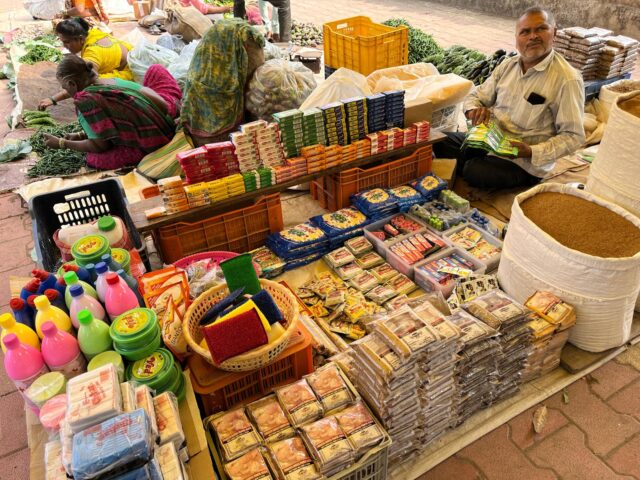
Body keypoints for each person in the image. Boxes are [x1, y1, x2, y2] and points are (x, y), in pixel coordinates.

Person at [434, 7, 585, 190]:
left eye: (540, 29)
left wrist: (530, 151)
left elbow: (573, 137)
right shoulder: (508, 66)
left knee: (474, 171)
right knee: (437, 141)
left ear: (554, 33)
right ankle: (475, 159)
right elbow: (476, 96)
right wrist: (474, 109)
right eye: (525, 32)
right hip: (491, 143)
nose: (533, 36)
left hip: (524, 162)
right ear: (517, 39)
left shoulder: (568, 79)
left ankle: (475, 163)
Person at [41, 54, 182, 170]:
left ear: (72, 84)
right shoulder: (112, 81)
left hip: (154, 143)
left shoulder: (86, 100)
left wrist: (62, 143)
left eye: (64, 87)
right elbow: (158, 106)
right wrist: (81, 134)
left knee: (93, 158)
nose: (65, 91)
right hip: (168, 116)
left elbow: (100, 145)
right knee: (155, 70)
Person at [181, 18, 265, 146]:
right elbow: (256, 72)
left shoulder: (204, 57)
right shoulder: (233, 70)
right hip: (224, 140)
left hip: (195, 134)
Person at [38, 18, 134, 110]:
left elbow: (82, 83)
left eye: (67, 42)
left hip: (130, 77)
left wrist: (53, 99)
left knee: (89, 92)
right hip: (128, 64)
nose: (64, 46)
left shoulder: (92, 56)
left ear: (80, 39)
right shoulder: (93, 34)